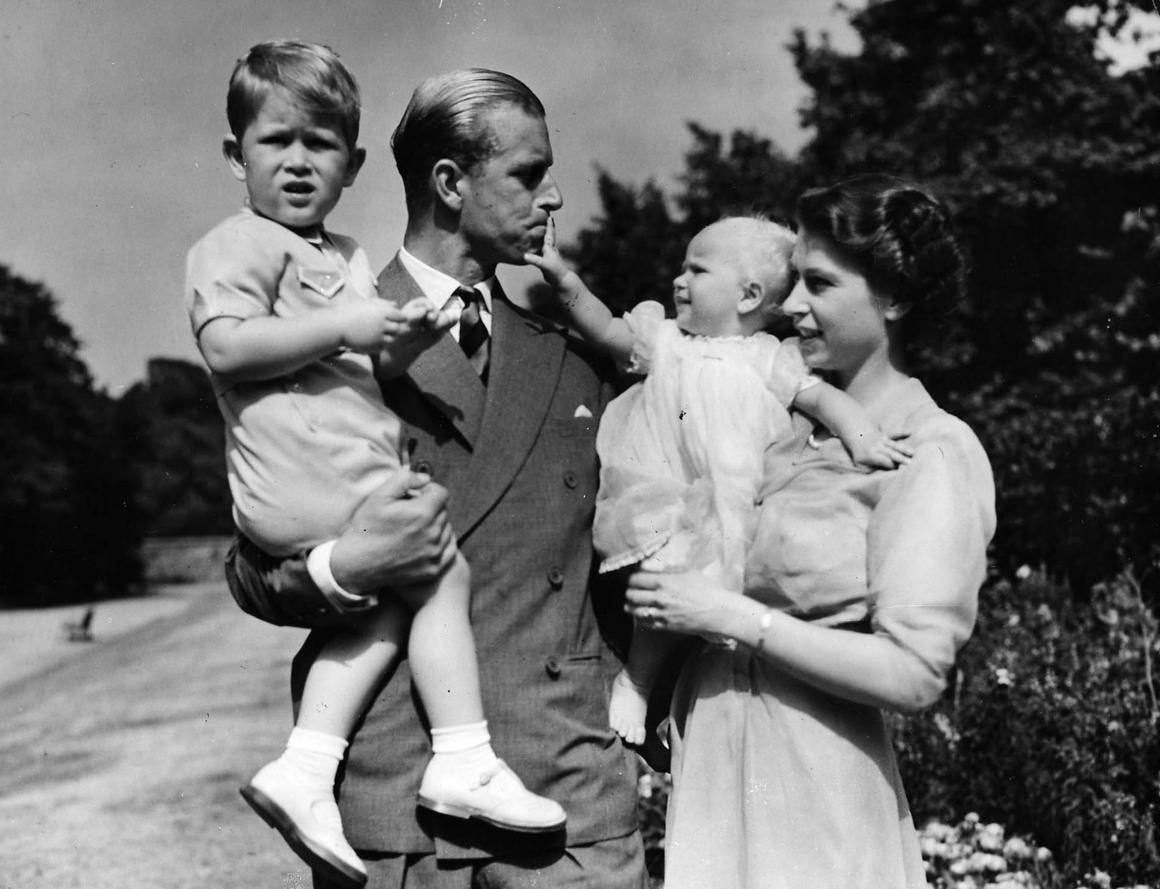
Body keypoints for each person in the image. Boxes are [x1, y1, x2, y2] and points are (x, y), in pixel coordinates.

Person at [223, 67, 647, 889]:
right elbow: (248, 565)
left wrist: (633, 699)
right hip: (397, 810)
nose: (554, 197)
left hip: (566, 803)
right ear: (450, 183)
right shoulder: (310, 335)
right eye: (530, 173)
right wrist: (342, 569)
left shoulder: (574, 357)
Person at [623, 174, 997, 888]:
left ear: (894, 298)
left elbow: (913, 673)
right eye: (792, 281)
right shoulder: (778, 431)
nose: (791, 305)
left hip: (818, 803)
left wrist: (735, 616)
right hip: (712, 783)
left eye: (819, 285)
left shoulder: (929, 449)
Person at [525, 215, 912, 746]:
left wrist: (861, 434)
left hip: (735, 506)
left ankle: (678, 706)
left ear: (749, 295)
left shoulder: (769, 359)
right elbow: (610, 331)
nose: (679, 280)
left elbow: (822, 398)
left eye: (697, 270)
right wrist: (566, 284)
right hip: (667, 495)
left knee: (714, 609)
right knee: (666, 588)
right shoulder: (667, 342)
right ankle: (637, 681)